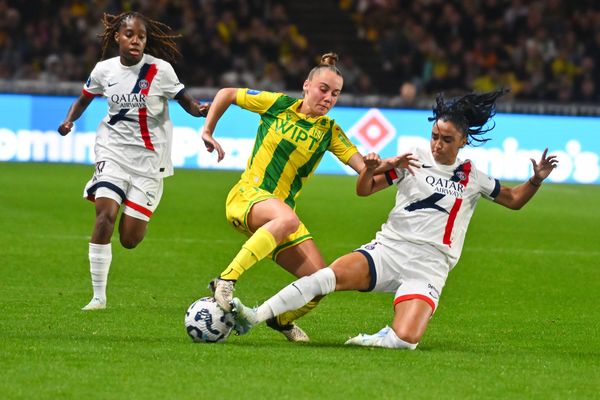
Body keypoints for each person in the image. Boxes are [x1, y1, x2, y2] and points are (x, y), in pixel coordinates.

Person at [230, 89, 559, 349]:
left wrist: (537, 180)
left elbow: (514, 200)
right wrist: (373, 169)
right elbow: (365, 189)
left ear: (463, 141)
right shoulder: (412, 159)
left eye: (447, 140)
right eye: (435, 136)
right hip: (388, 250)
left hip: (430, 266)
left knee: (405, 340)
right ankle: (253, 317)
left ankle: (377, 339)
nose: (438, 144)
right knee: (325, 277)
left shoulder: (474, 177)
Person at [201, 53, 395, 341]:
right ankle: (226, 280)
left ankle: (281, 320)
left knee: (321, 281)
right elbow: (227, 93)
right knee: (287, 218)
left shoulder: (329, 132)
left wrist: (385, 168)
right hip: (248, 196)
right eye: (324, 89)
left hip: (281, 219)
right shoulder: (278, 105)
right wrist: (208, 130)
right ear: (307, 85)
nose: (329, 98)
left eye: (336, 94)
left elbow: (364, 171)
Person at [57, 12, 208, 311]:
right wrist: (69, 120)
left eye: (141, 36)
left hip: (149, 162)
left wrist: (200, 110)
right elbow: (84, 99)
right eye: (129, 34)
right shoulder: (104, 70)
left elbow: (186, 101)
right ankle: (98, 297)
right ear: (117, 37)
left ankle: (137, 208)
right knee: (104, 217)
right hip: (112, 152)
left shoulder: (160, 70)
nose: (135, 40)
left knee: (129, 239)